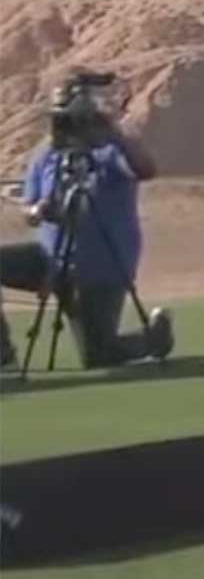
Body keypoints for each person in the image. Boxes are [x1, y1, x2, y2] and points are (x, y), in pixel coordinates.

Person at [0, 84, 172, 371]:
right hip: (49, 258)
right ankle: (3, 356)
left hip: (99, 267)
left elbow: (145, 169)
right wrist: (36, 210)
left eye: (73, 117)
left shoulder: (110, 150)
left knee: (99, 356)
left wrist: (111, 130)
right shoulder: (46, 155)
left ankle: (154, 339)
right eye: (59, 116)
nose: (66, 125)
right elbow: (28, 206)